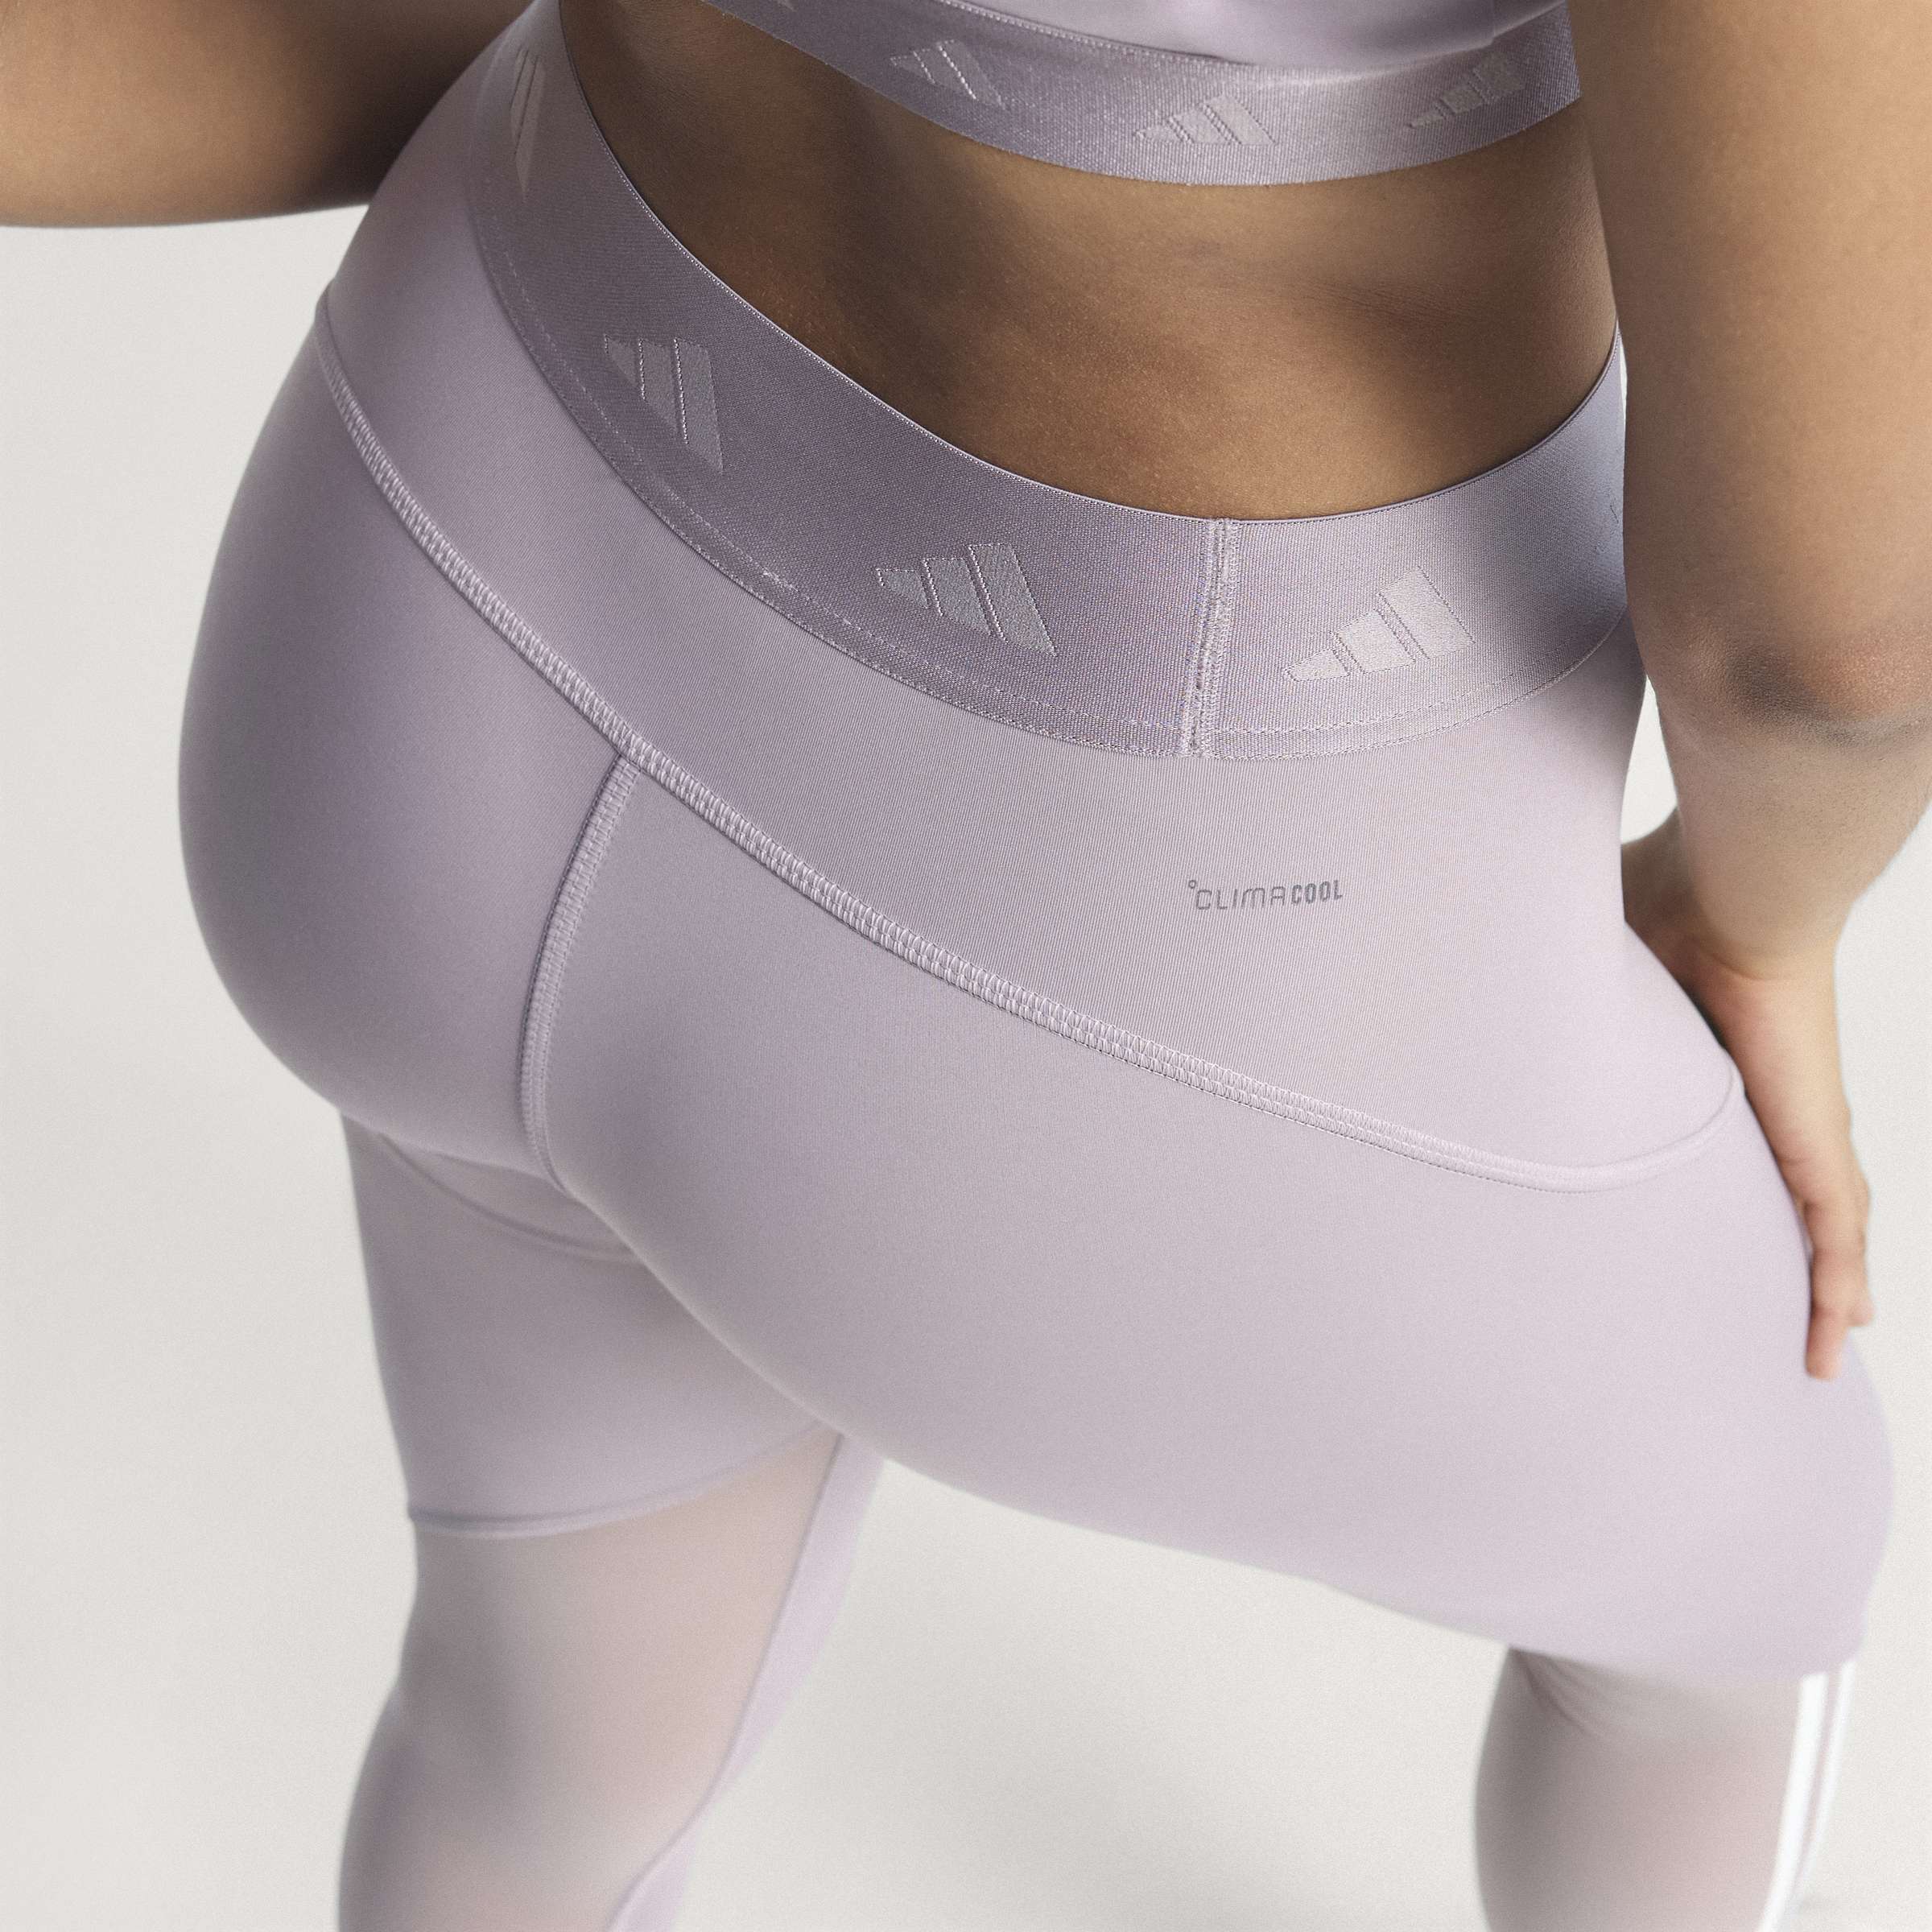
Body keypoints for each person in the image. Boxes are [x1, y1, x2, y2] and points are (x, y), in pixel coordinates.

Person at [7, 1, 1927, 1926]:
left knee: (544, 1749)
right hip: (1139, 944)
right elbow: (1826, 655)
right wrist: (1757, 918)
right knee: (1759, 1579)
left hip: (420, 604)